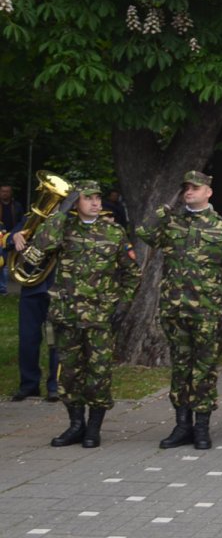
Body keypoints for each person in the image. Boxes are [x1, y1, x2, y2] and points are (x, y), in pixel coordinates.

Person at [22, 180, 141, 448]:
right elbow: (39, 247)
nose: (96, 203)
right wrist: (61, 212)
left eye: (98, 198)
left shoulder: (114, 232)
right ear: (76, 202)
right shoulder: (63, 228)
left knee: (98, 373)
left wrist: (122, 305)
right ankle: (76, 425)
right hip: (67, 315)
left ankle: (94, 429)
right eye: (88, 198)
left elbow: (132, 273)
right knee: (69, 374)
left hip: (100, 317)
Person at [136, 171, 222, 450]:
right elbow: (144, 233)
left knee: (205, 370)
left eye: (195, 187)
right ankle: (182, 425)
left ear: (209, 191)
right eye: (185, 188)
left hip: (208, 311)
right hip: (175, 309)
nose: (189, 192)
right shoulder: (172, 223)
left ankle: (202, 427)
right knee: (181, 369)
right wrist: (166, 206)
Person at [7, 215, 60, 402]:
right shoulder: (33, 218)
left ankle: (55, 385)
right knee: (28, 338)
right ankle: (29, 384)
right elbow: (11, 236)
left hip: (57, 287)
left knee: (55, 340)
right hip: (32, 287)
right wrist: (13, 237)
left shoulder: (71, 219)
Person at [0, 183, 26, 295]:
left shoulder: (17, 206)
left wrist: (15, 233)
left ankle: (3, 289)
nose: (5, 193)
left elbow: (22, 221)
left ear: (11, 193)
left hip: (13, 236)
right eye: (3, 191)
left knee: (6, 262)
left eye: (7, 191)